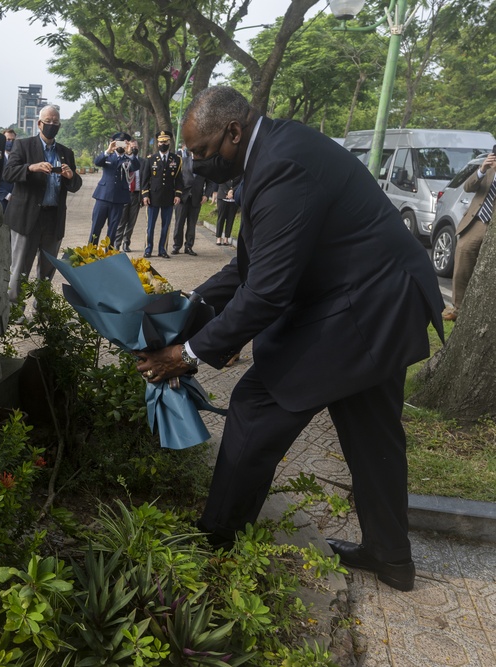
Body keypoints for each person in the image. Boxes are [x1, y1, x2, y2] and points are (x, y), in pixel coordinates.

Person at [134, 86, 444, 592]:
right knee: (373, 436)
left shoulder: (283, 166)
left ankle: (217, 544)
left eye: (201, 153)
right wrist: (189, 305)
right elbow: (253, 265)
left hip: (366, 308)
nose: (197, 165)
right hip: (379, 299)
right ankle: (392, 558)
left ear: (233, 132)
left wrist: (186, 354)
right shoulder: (275, 149)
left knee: (257, 403)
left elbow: (267, 293)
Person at [3, 105, 83, 305]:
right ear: (39, 124)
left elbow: (75, 185)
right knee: (19, 268)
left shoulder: (65, 152)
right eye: (48, 121)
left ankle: (43, 309)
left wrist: (70, 176)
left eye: (56, 122)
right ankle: (15, 310)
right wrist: (31, 168)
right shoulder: (23, 146)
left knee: (47, 271)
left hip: (53, 219)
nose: (52, 125)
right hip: (26, 218)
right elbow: (8, 173)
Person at [443, 149, 496, 321]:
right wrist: (482, 168)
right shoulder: (488, 168)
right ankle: (457, 309)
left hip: (492, 225)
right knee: (463, 258)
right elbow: (468, 187)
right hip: (477, 220)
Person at [90, 132, 140, 247]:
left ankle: (109, 255)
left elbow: (136, 167)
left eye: (124, 143)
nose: (120, 146)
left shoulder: (129, 158)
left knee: (113, 229)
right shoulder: (108, 156)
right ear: (114, 143)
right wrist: (108, 150)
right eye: (118, 143)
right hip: (103, 196)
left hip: (119, 199)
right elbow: (97, 162)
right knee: (96, 228)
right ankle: (90, 254)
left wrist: (130, 153)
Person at [139, 130, 183, 258]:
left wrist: (178, 195)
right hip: (153, 197)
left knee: (166, 226)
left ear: (169, 142)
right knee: (150, 226)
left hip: (169, 197)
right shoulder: (150, 159)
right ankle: (148, 249)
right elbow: (145, 179)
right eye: (161, 142)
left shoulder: (176, 159)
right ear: (157, 143)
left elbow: (179, 180)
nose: (163, 144)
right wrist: (145, 195)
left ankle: (162, 249)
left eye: (165, 141)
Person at [172, 149, 205, 255]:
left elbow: (210, 181)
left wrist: (206, 195)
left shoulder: (205, 164)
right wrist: (176, 193)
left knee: (192, 224)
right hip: (182, 197)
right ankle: (177, 246)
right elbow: (175, 178)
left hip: (196, 198)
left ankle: (189, 246)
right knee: (179, 223)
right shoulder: (183, 161)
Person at [117, 141, 142, 252]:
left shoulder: (142, 161)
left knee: (132, 221)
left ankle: (126, 243)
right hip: (124, 194)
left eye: (136, 147)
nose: (134, 148)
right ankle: (117, 243)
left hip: (136, 195)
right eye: (132, 147)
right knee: (122, 221)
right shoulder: (123, 160)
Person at [0, 129, 17, 211]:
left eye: (13, 140)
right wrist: (7, 195)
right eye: (8, 139)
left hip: (16, 201)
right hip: (1, 200)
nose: (10, 142)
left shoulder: (19, 158)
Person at [214, 177, 240, 245]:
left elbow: (241, 182)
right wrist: (227, 192)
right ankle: (218, 237)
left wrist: (232, 191)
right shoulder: (224, 168)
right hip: (222, 196)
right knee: (221, 218)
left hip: (233, 198)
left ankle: (226, 238)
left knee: (230, 219)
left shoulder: (240, 171)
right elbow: (221, 181)